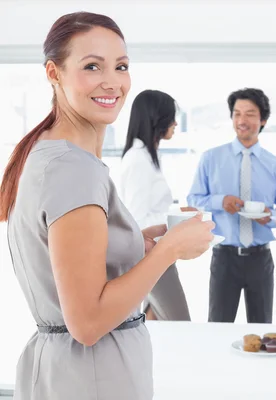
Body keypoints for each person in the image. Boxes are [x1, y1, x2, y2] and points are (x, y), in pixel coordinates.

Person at [0, 12, 214, 400]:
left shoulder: (47, 154)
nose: (112, 81)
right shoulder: (72, 169)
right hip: (94, 378)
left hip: (69, 373)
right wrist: (170, 250)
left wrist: (138, 241)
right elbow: (87, 321)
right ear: (54, 73)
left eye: (121, 66)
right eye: (91, 66)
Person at [187, 88, 276, 323]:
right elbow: (193, 200)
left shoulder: (275, 165)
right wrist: (219, 201)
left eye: (250, 114)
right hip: (225, 258)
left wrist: (270, 217)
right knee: (217, 328)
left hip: (260, 259)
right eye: (237, 114)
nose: (242, 121)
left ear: (263, 120)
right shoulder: (210, 158)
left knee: (262, 331)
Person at [120, 89, 192, 321]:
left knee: (154, 323)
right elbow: (137, 219)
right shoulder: (138, 159)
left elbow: (153, 209)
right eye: (171, 117)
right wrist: (179, 220)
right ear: (157, 118)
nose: (174, 124)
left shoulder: (147, 157)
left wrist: (179, 214)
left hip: (158, 255)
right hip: (151, 257)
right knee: (181, 325)